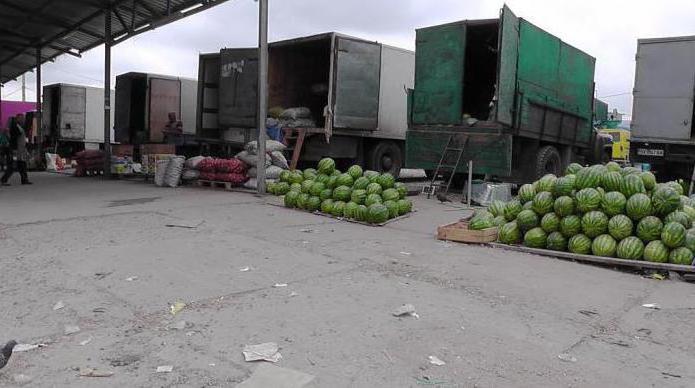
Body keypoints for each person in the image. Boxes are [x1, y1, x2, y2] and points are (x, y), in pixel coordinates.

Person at [1, 113, 32, 185]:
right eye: (22, 118)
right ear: (17, 119)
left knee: (22, 164)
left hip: (21, 150)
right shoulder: (14, 126)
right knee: (12, 165)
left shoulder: (19, 127)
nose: (23, 120)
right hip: (15, 150)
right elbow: (13, 139)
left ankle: (24, 180)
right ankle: (3, 180)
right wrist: (14, 149)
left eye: (23, 118)